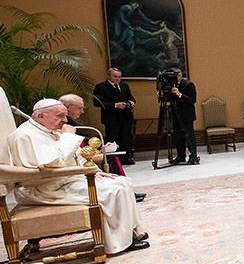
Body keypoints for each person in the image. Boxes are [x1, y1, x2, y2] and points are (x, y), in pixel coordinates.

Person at [8, 99, 149, 255]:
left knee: (122, 182)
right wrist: (67, 137)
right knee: (115, 191)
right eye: (60, 116)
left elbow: (73, 157)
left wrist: (93, 171)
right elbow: (53, 163)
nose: (65, 120)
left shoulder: (46, 129)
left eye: (65, 116)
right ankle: (120, 242)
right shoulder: (25, 136)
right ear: (41, 116)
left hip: (63, 180)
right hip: (44, 189)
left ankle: (131, 232)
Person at [93, 67, 136, 164]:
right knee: (113, 138)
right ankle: (115, 160)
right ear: (108, 76)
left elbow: (131, 97)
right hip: (111, 118)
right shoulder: (100, 87)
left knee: (126, 138)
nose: (118, 79)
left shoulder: (124, 86)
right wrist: (115, 105)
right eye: (115, 76)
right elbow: (97, 102)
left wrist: (132, 102)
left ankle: (125, 158)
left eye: (119, 77)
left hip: (125, 116)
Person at [168, 69, 199, 165]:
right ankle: (181, 156)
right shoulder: (170, 86)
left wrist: (180, 95)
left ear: (181, 75)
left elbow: (192, 100)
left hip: (187, 115)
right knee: (178, 136)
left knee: (189, 136)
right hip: (176, 115)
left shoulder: (188, 84)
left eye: (178, 75)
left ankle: (193, 156)